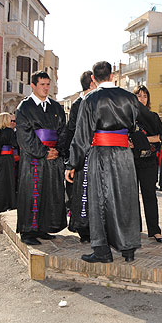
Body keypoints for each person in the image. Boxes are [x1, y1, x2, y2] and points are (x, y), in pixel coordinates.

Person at [66, 61, 143, 262]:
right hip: (124, 154)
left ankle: (102, 251)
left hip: (100, 154)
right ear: (111, 76)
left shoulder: (90, 99)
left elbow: (81, 136)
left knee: (99, 200)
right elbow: (134, 126)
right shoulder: (129, 98)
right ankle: (128, 248)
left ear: (93, 78)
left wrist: (72, 164)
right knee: (125, 198)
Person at [15, 70, 67, 246]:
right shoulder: (24, 107)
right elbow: (24, 135)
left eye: (48, 84)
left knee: (50, 192)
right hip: (33, 158)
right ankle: (28, 231)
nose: (46, 88)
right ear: (33, 86)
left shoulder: (56, 106)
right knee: (32, 193)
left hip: (53, 158)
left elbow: (63, 131)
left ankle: (44, 227)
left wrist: (58, 149)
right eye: (42, 85)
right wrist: (44, 151)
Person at [64, 71, 97, 243]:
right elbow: (74, 131)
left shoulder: (92, 101)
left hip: (91, 153)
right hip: (83, 154)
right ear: (92, 83)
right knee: (83, 193)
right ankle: (85, 229)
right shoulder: (80, 103)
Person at [132, 85, 162, 243]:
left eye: (145, 96)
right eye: (139, 96)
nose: (142, 99)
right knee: (132, 197)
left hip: (149, 162)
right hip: (131, 161)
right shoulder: (128, 119)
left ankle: (155, 230)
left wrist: (141, 140)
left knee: (150, 195)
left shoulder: (153, 117)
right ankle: (134, 229)